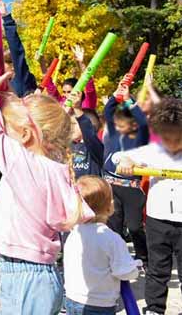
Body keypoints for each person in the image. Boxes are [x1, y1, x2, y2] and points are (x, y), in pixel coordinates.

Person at [0, 67, 91, 315]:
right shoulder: (53, 165)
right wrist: (5, 94)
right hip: (36, 276)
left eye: (10, 129)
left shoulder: (25, 165)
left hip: (25, 277)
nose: (6, 132)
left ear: (25, 134)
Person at [114, 97, 182, 315]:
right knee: (157, 268)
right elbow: (119, 156)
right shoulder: (153, 151)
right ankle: (154, 309)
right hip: (157, 217)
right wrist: (126, 161)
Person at [63, 176, 138, 315]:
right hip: (99, 305)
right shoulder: (112, 239)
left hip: (71, 299)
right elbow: (124, 272)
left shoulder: (74, 233)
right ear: (110, 206)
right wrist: (135, 268)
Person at [103, 80, 149, 266]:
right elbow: (108, 111)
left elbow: (144, 122)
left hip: (131, 188)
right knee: (114, 226)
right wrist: (115, 95)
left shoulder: (139, 138)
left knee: (134, 226)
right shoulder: (113, 133)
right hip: (112, 185)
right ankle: (117, 258)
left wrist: (129, 99)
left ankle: (143, 257)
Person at [65, 92, 103, 179]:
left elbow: (89, 133)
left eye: (74, 124)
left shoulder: (94, 148)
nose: (70, 127)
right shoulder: (67, 145)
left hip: (89, 191)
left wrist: (77, 109)